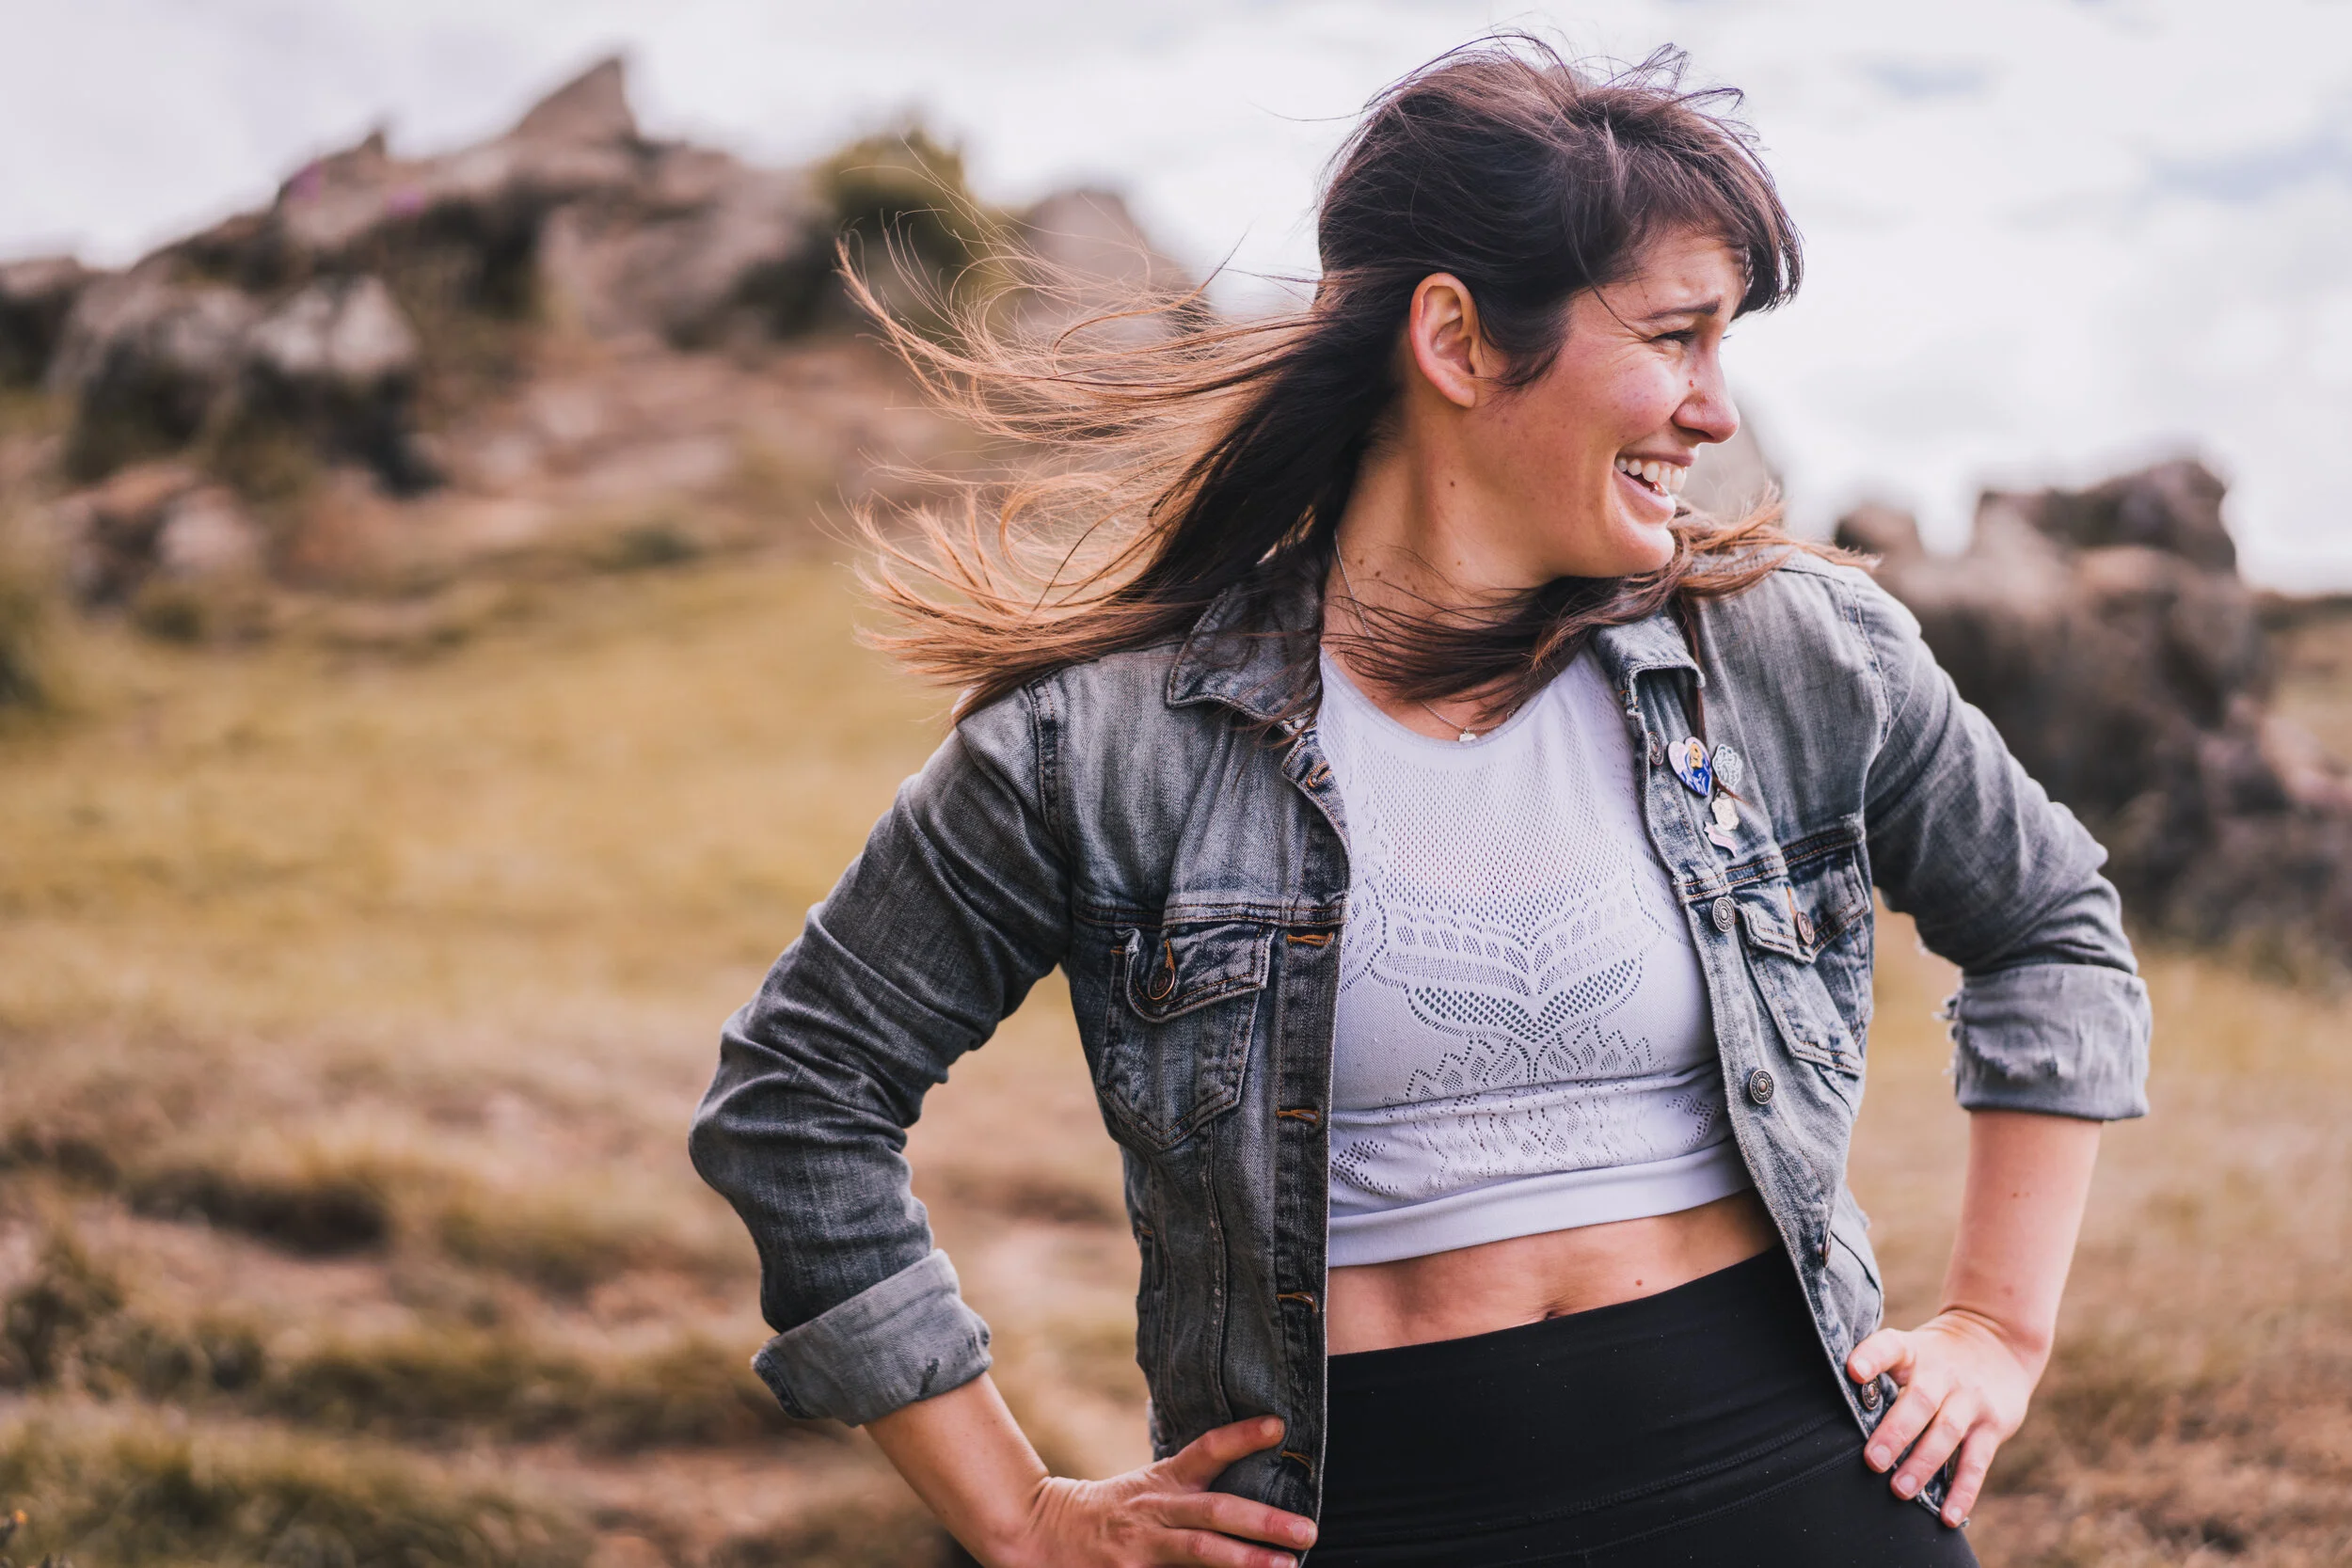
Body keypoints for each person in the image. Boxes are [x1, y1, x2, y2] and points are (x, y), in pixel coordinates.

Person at [690, 38, 2150, 1568]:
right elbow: (801, 1096)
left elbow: (2050, 924)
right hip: (1364, 1523)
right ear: (1455, 339)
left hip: (1794, 1485)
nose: (1716, 412)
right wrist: (1020, 1514)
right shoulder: (1102, 743)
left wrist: (1997, 1325)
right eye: (1675, 337)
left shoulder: (1792, 651)